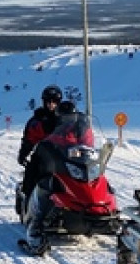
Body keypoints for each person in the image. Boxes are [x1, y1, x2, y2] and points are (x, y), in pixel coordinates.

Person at [21, 101, 92, 253]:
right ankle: (34, 220)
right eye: (65, 117)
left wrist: (88, 152)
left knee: (92, 179)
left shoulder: (80, 127)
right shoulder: (46, 123)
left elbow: (88, 143)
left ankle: (100, 210)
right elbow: (34, 138)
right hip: (54, 160)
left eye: (71, 117)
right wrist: (29, 151)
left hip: (76, 159)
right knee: (43, 181)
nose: (68, 120)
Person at [17, 85, 62, 167]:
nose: (51, 104)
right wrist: (23, 153)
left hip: (65, 154)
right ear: (44, 102)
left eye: (54, 101)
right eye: (48, 101)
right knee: (32, 171)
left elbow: (76, 133)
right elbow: (29, 138)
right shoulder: (37, 119)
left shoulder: (66, 117)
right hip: (45, 156)